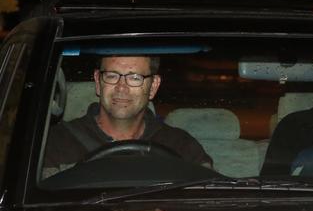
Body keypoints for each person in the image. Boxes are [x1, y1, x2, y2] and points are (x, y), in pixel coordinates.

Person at [42, 55, 212, 177]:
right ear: (98, 82)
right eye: (112, 76)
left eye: (135, 78)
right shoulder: (55, 144)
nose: (121, 87)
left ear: (153, 86)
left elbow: (205, 206)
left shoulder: (181, 146)